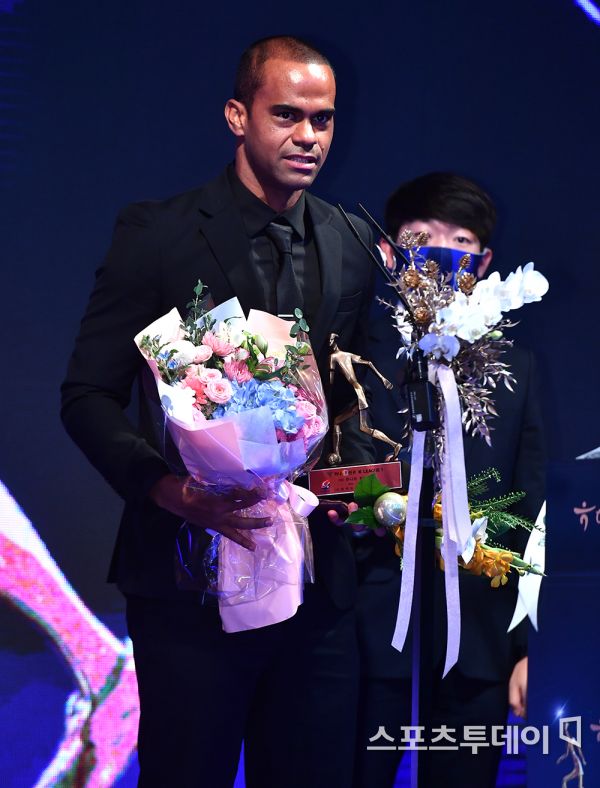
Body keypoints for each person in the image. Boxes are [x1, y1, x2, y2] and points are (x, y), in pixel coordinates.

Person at [60, 35, 375, 788]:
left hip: (317, 593)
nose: (309, 136)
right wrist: (171, 491)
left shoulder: (353, 240)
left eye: (324, 119)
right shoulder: (159, 235)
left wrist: (355, 489)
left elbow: (352, 404)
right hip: (188, 584)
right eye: (287, 115)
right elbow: (87, 395)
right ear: (238, 115)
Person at [353, 172, 546, 788]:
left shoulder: (517, 367)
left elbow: (533, 508)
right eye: (421, 236)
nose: (441, 253)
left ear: (484, 262)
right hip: (365, 641)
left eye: (460, 241)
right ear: (390, 252)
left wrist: (526, 650)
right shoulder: (353, 353)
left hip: (480, 644)